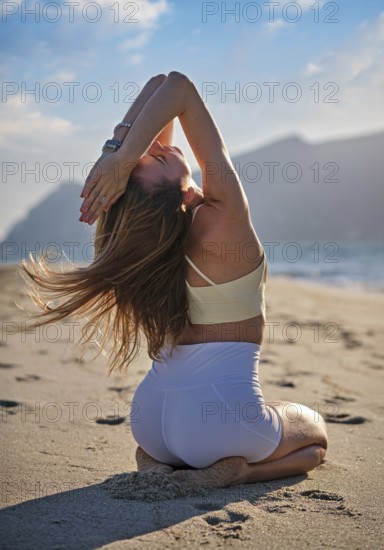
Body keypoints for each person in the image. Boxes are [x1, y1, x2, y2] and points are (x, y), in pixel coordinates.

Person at [21, 72, 328, 488]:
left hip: (151, 424)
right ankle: (239, 472)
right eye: (157, 157)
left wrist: (118, 152)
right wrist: (122, 157)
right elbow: (179, 87)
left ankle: (158, 463)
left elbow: (158, 84)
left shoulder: (144, 251)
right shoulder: (223, 222)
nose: (160, 147)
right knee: (314, 433)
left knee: (250, 414)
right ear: (181, 195)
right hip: (218, 421)